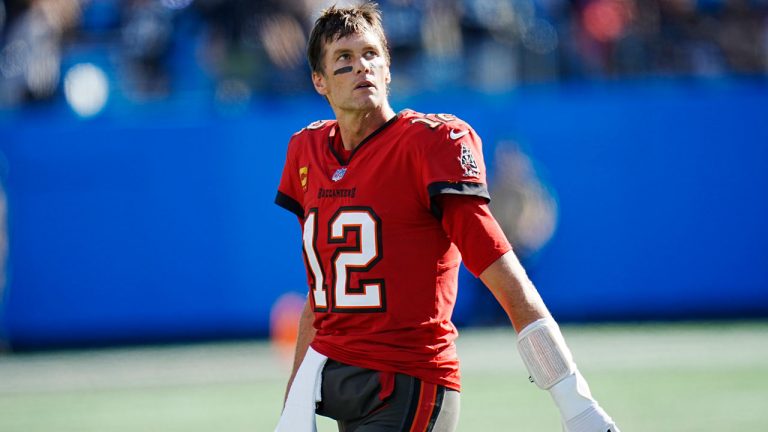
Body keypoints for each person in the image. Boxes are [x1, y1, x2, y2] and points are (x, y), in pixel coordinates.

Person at [274, 3, 620, 431]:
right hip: (341, 381)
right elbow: (320, 293)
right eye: (343, 58)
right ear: (319, 81)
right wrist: (292, 402)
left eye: (370, 54)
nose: (360, 66)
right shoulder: (306, 152)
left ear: (388, 70)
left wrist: (575, 402)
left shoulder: (428, 144)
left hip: (409, 380)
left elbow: (502, 272)